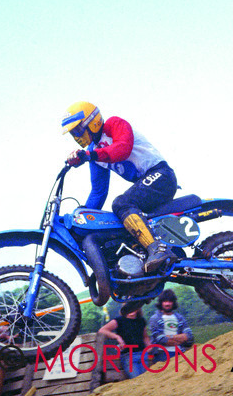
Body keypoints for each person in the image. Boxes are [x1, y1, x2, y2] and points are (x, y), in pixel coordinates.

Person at [62, 101, 178, 274]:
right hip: (147, 185)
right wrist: (83, 215)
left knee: (121, 204)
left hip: (161, 175)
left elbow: (122, 148)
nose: (77, 137)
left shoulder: (114, 124)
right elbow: (98, 191)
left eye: (78, 130)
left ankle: (157, 249)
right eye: (73, 134)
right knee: (115, 224)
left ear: (91, 122)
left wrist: (89, 156)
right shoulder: (93, 152)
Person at [97, 304, 152, 379]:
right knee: (137, 380)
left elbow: (145, 336)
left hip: (142, 354)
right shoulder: (119, 320)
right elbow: (102, 330)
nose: (131, 310)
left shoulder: (141, 320)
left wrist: (149, 346)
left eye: (133, 307)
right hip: (128, 356)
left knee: (146, 380)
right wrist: (117, 337)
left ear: (138, 308)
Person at [148, 290, 194, 365]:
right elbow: (160, 339)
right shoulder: (155, 318)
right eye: (165, 301)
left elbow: (189, 335)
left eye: (170, 301)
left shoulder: (180, 318)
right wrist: (181, 339)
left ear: (173, 303)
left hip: (180, 353)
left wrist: (170, 337)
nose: (167, 304)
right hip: (162, 354)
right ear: (161, 303)